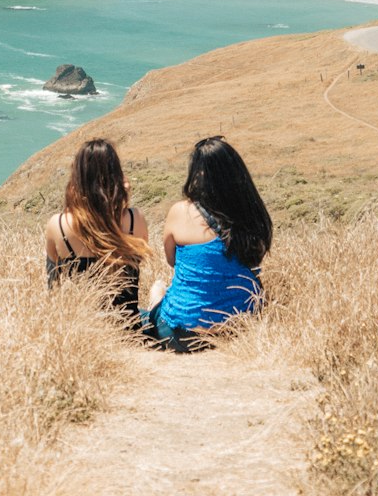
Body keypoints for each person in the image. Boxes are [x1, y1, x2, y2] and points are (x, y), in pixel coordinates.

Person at [145, 136, 272, 351]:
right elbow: (254, 259)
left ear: (197, 174)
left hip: (181, 332)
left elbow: (172, 261)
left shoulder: (180, 211)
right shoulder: (251, 214)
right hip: (239, 327)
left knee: (158, 288)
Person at [45, 137, 150, 319]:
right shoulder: (135, 219)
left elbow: (53, 282)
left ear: (77, 176)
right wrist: (123, 197)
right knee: (157, 294)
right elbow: (137, 260)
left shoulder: (58, 224)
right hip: (127, 329)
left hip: (81, 328)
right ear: (117, 174)